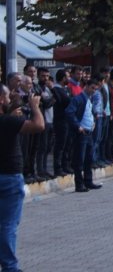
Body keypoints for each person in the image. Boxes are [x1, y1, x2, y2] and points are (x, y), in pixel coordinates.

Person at [0, 85, 44, 272]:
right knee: (8, 225)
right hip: (9, 177)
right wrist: (34, 106)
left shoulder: (9, 119)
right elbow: (38, 125)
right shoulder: (8, 121)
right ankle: (10, 267)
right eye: (8, 96)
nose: (11, 98)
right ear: (1, 99)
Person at [65, 78, 103, 192]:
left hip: (89, 132)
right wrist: (78, 126)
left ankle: (88, 181)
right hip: (81, 133)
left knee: (89, 159)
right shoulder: (78, 98)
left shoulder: (89, 99)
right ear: (86, 86)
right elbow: (69, 112)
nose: (93, 91)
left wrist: (93, 123)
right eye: (92, 88)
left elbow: (88, 114)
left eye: (95, 89)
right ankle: (79, 184)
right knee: (79, 160)